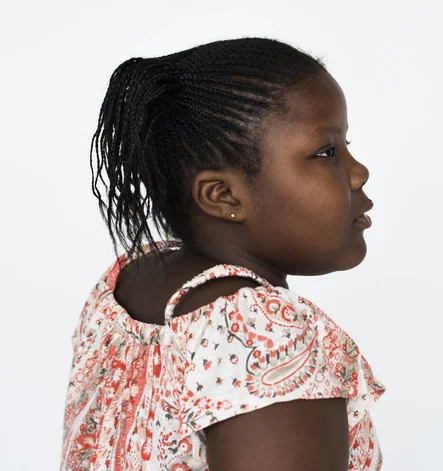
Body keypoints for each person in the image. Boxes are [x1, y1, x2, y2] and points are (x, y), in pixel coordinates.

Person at [61, 37, 386, 471]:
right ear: (223, 196)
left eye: (345, 146)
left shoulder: (128, 279)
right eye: (326, 152)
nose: (359, 172)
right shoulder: (265, 337)